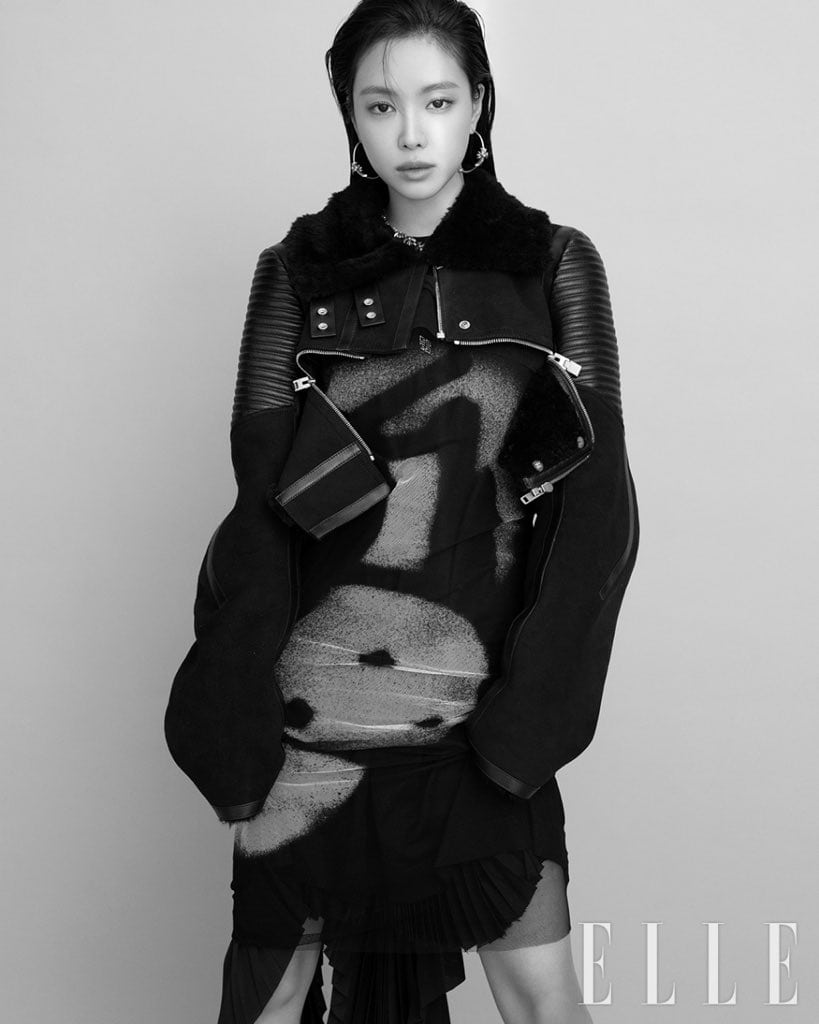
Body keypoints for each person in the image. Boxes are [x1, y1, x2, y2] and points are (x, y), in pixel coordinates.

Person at [164, 1, 639, 1021]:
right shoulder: (293, 272)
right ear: (350, 115)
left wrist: (529, 728)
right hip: (308, 727)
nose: (412, 134)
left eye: (437, 101)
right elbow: (258, 516)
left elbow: (598, 522)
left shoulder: (555, 264)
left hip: (477, 723)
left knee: (544, 1002)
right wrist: (232, 725)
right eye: (381, 106)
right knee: (269, 1002)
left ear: (478, 104)